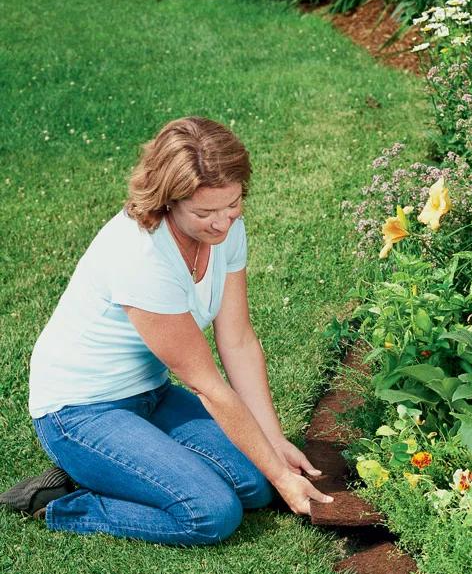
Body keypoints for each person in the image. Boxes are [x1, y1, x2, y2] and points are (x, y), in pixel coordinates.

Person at [0, 116, 333, 544]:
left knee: (257, 484)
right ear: (167, 201)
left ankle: (128, 466)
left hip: (150, 396)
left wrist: (274, 445)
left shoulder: (225, 231)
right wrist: (286, 479)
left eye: (232, 205)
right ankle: (64, 500)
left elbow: (239, 340)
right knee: (211, 513)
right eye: (204, 212)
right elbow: (208, 386)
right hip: (81, 412)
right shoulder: (141, 256)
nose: (222, 223)